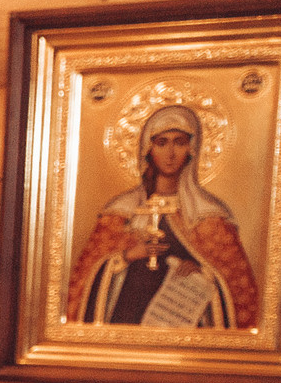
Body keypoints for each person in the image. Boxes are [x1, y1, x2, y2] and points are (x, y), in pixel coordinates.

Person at [63, 101, 258, 328]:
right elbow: (83, 282)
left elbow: (238, 288)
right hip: (126, 321)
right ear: (148, 148)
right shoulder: (121, 211)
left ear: (192, 149)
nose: (171, 153)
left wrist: (203, 273)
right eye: (162, 143)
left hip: (185, 327)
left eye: (180, 142)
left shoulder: (210, 214)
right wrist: (127, 256)